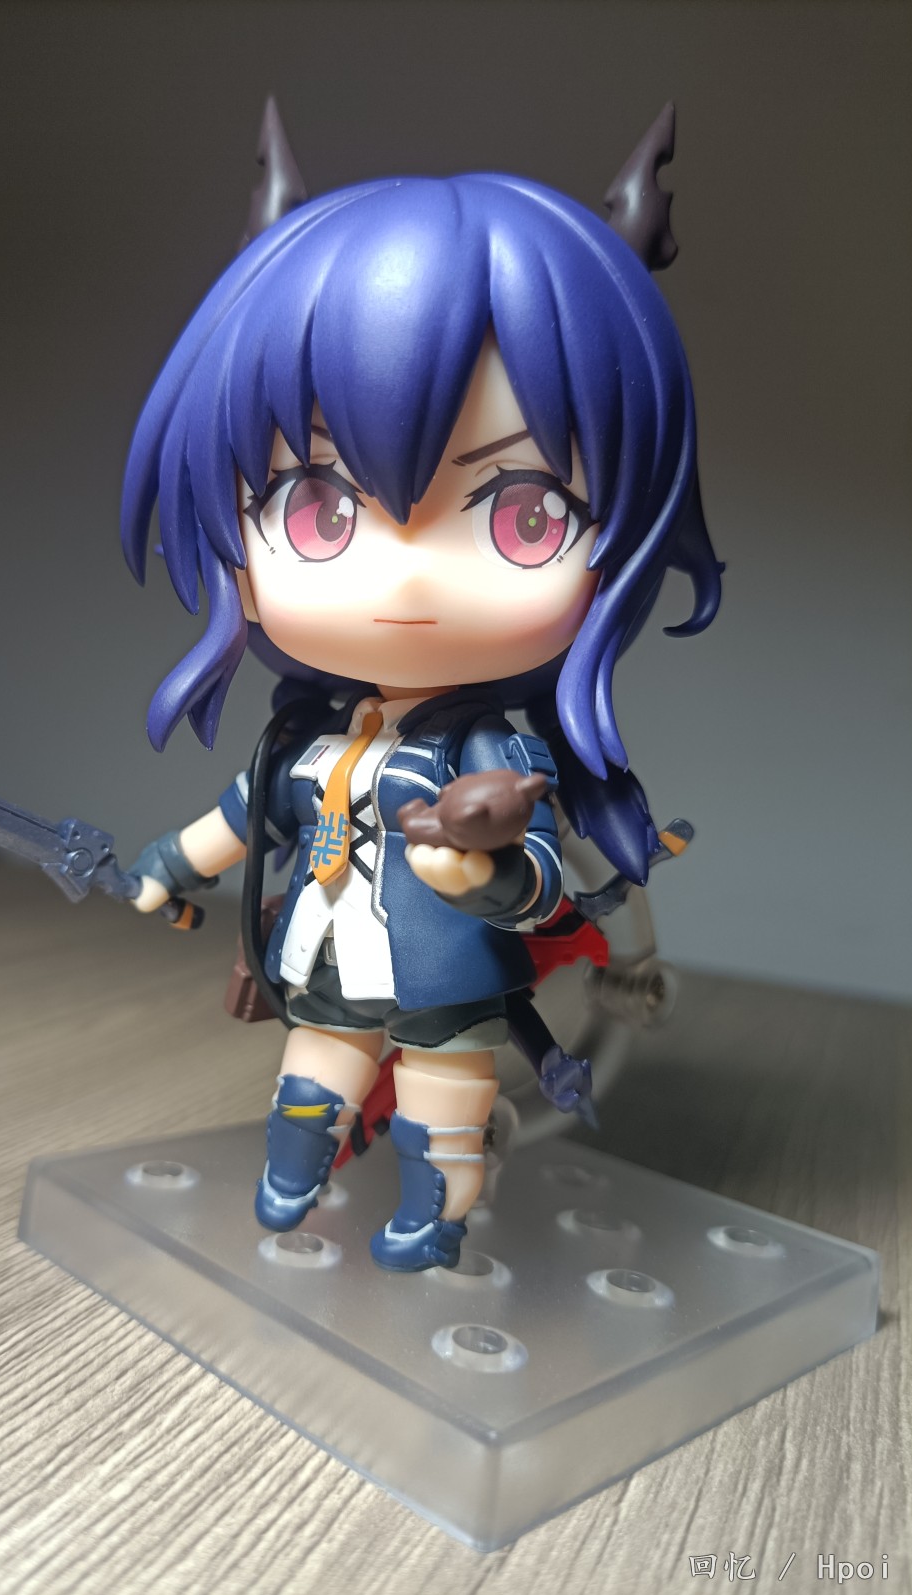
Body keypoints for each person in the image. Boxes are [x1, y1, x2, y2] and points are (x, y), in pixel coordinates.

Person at [121, 102, 722, 1271]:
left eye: (525, 513)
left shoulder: (491, 750)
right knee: (313, 1074)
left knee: (447, 1095)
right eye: (318, 507)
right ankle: (294, 1171)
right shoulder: (311, 736)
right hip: (327, 965)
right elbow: (248, 813)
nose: (404, 573)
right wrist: (167, 863)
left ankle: (436, 1209)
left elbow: (537, 871)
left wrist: (479, 871)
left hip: (447, 979)